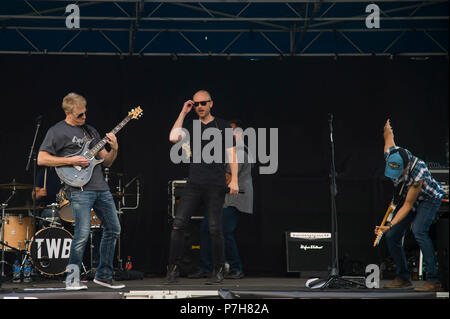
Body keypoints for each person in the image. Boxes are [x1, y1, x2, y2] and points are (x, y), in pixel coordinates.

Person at [37, 92, 124, 290]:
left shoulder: (90, 131)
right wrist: (71, 160)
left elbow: (107, 161)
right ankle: (72, 280)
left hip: (101, 188)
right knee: (82, 234)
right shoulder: (56, 131)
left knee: (113, 229)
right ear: (68, 112)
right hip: (79, 189)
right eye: (80, 115)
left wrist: (115, 148)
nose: (84, 117)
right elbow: (41, 159)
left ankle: (103, 275)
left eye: (85, 113)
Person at [167, 90, 239, 284]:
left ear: (211, 104)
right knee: (178, 224)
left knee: (215, 228)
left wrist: (234, 180)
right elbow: (173, 137)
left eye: (203, 103)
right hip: (194, 183)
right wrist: (183, 112)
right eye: (196, 104)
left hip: (215, 183)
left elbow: (232, 155)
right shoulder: (191, 126)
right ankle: (172, 270)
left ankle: (218, 270)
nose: (199, 107)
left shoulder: (222, 125)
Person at [375, 119, 444, 292]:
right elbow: (388, 135)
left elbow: (407, 206)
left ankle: (434, 279)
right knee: (391, 237)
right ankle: (403, 277)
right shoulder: (390, 154)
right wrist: (387, 125)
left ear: (406, 166)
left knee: (419, 230)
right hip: (410, 198)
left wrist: (389, 224)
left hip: (428, 199)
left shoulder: (417, 172)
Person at [189, 119, 253, 280]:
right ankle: (205, 267)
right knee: (205, 229)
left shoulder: (240, 152)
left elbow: (228, 177)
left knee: (225, 231)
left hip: (234, 199)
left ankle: (236, 268)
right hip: (222, 199)